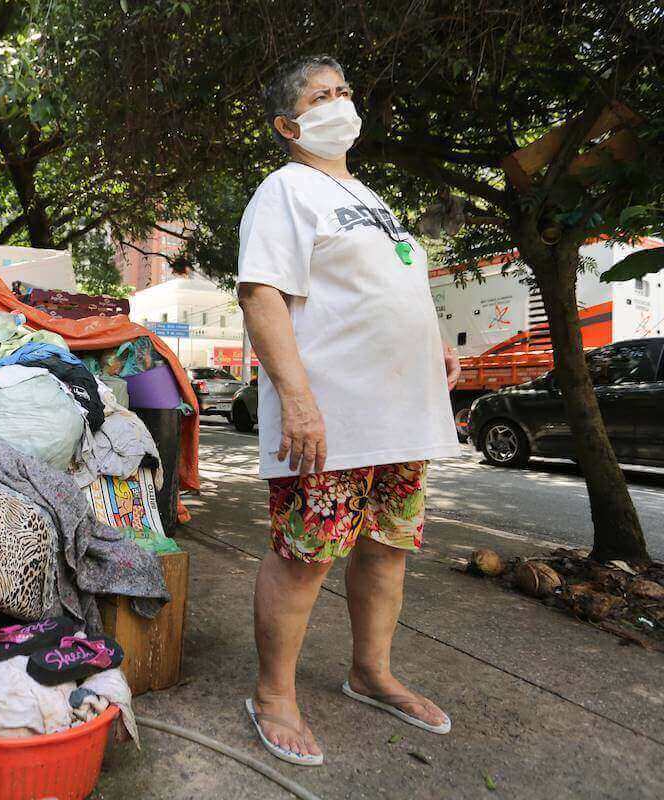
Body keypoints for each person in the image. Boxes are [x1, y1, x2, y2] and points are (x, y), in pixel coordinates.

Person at [237, 54, 461, 767]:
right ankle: (273, 695)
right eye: (319, 96)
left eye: (344, 92)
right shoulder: (285, 190)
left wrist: (432, 347)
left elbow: (385, 286)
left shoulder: (367, 194)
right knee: (306, 557)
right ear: (287, 123)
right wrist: (297, 401)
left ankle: (372, 673)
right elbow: (260, 294)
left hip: (401, 414)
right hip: (329, 420)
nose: (339, 104)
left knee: (389, 549)